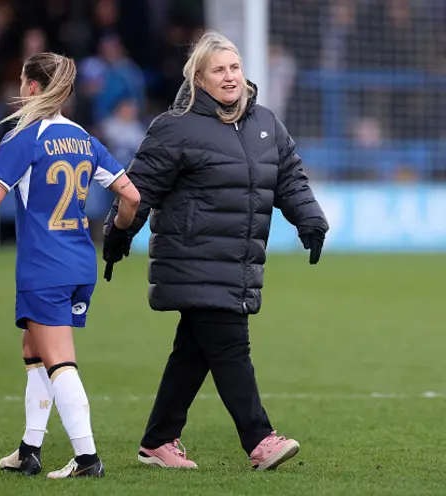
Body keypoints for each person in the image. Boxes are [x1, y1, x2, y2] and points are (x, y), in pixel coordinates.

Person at [103, 30, 329, 471]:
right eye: (218, 70)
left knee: (193, 351)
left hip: (236, 260)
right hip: (193, 260)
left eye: (235, 68)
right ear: (199, 80)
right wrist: (119, 233)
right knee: (229, 347)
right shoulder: (175, 127)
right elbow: (139, 188)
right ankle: (260, 440)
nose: (230, 77)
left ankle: (158, 441)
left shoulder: (265, 123)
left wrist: (310, 219)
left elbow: (290, 179)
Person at [0, 52, 141, 479]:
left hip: (44, 268)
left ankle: (87, 459)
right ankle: (29, 449)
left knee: (59, 359)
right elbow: (133, 197)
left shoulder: (25, 137)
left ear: (31, 87)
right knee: (33, 349)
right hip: (81, 264)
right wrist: (119, 232)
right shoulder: (85, 137)